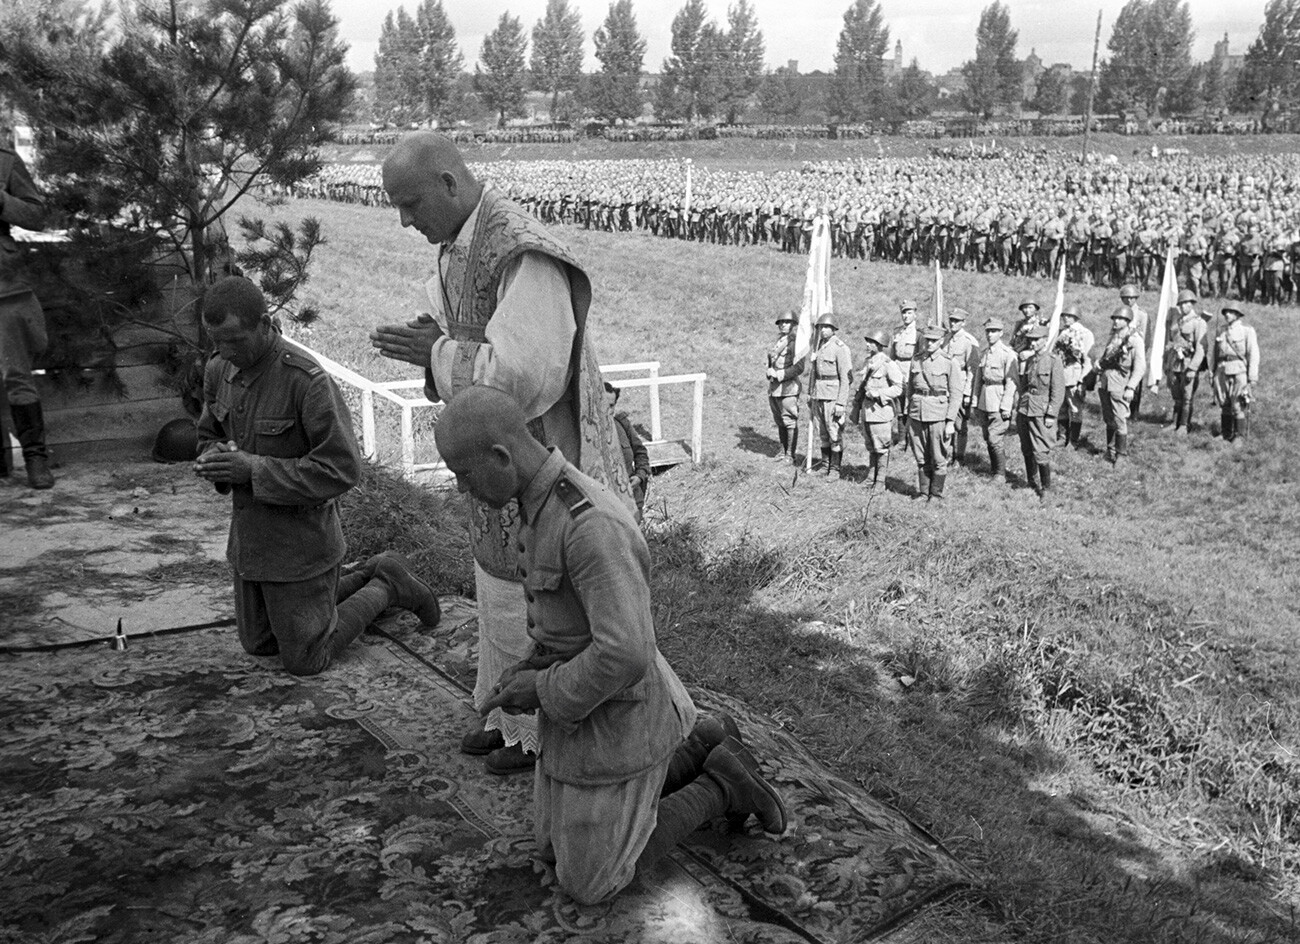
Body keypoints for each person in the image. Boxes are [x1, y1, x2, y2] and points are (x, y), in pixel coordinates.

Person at [436, 386, 786, 906]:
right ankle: (701, 742)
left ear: (501, 457)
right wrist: (526, 672)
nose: (464, 488)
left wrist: (541, 687)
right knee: (550, 850)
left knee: (589, 881)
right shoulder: (539, 500)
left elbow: (625, 653)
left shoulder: (588, 525)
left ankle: (722, 786)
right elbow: (566, 623)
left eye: (465, 475)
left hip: (623, 714)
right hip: (582, 713)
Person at [370, 132, 633, 777]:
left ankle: (551, 726)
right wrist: (436, 349)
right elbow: (466, 337)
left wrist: (434, 354)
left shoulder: (522, 251)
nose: (405, 221)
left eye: (410, 203)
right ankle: (510, 717)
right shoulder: (455, 242)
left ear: (450, 185)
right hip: (496, 459)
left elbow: (525, 375)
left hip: (541, 452)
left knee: (547, 590)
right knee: (499, 583)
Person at [194, 277, 440, 676]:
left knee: (307, 657)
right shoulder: (220, 370)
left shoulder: (306, 381)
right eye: (216, 341)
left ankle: (388, 587)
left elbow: (342, 469)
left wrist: (253, 470)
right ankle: (373, 571)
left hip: (301, 547)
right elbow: (208, 434)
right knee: (259, 644)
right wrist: (212, 459)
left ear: (265, 323)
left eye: (235, 341)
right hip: (252, 545)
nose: (224, 351)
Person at [0, 133, 53, 488]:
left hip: (4, 289)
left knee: (17, 374)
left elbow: (36, 214)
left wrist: (1, 201)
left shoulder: (4, 159)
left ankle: (35, 458)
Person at [907, 325, 962, 501]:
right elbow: (910, 387)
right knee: (921, 455)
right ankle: (924, 492)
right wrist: (907, 412)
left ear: (941, 342)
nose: (929, 343)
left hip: (938, 414)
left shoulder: (949, 362)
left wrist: (951, 421)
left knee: (938, 456)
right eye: (927, 340)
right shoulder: (916, 360)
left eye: (933, 340)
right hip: (917, 413)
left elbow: (955, 394)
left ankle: (936, 494)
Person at [848, 329, 903, 489]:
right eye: (867, 341)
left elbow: (899, 388)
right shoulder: (869, 362)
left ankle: (880, 481)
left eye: (871, 342)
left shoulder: (888, 364)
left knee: (882, 447)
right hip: (867, 411)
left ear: (880, 345)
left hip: (881, 412)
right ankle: (871, 477)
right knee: (871, 446)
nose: (867, 344)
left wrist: (879, 393)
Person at [1015, 324, 1065, 497]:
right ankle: (1031, 482)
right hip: (1025, 408)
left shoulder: (1053, 360)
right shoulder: (1030, 361)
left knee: (1041, 450)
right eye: (1031, 340)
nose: (1033, 343)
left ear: (1045, 340)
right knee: (1026, 447)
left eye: (1036, 340)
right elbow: (1024, 386)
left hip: (1041, 411)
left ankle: (1046, 489)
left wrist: (1051, 413)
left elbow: (1058, 390)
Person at [1096, 305, 1147, 464]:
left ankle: (1121, 455)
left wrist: (1131, 387)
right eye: (1115, 319)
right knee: (1108, 417)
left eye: (1120, 319)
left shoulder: (1135, 340)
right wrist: (1098, 364)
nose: (1116, 321)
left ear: (1128, 321)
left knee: (1119, 419)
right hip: (1106, 382)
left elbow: (1140, 367)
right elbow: (1106, 356)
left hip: (1121, 383)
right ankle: (1110, 450)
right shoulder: (1113, 337)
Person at [972, 317, 1019, 483]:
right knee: (987, 436)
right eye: (988, 331)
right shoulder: (984, 353)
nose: (990, 335)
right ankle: (994, 469)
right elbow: (979, 378)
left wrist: (1006, 406)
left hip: (999, 400)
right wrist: (975, 400)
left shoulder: (1008, 354)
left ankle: (1000, 474)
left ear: (1001, 333)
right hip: (985, 399)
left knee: (995, 438)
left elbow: (1012, 382)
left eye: (994, 331)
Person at [808, 312, 853, 477]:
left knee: (834, 433)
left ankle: (835, 469)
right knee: (823, 433)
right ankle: (825, 465)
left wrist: (841, 403)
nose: (823, 330)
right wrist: (810, 394)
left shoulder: (840, 348)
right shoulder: (819, 346)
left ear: (834, 329)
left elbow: (847, 378)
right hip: (819, 395)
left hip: (833, 397)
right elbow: (815, 373)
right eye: (821, 327)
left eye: (827, 327)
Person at [1207, 302, 1260, 444]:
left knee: (1238, 404)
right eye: (1225, 313)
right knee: (1224, 402)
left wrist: (1252, 377)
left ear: (1237, 314)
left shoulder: (1246, 331)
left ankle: (1239, 436)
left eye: (1230, 312)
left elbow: (1253, 354)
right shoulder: (1221, 330)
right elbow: (1214, 353)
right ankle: (1226, 433)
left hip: (1238, 370)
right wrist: (1212, 371)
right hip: (1221, 370)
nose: (1227, 315)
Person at [604, 380, 650, 521]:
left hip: (632, 501)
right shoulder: (588, 432)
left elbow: (640, 452)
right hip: (606, 504)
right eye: (603, 405)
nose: (608, 410)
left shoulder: (622, 425)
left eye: (611, 405)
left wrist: (639, 476)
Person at [1164, 288, 1208, 434]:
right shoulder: (1177, 322)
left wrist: (1193, 368)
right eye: (1180, 304)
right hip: (1175, 362)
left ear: (1192, 304)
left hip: (1188, 363)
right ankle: (1174, 422)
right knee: (1176, 394)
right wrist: (1167, 364)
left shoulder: (1199, 322)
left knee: (1187, 396)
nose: (1182, 307)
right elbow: (1172, 342)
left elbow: (1201, 348)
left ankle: (1184, 425)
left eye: (1185, 303)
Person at [765, 309, 805, 465]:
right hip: (775, 388)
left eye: (787, 322)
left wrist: (779, 374)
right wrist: (769, 372)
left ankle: (790, 454)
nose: (783, 325)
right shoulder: (779, 341)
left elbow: (799, 367)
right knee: (780, 421)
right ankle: (782, 451)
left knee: (789, 421)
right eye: (781, 322)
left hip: (788, 388)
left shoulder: (796, 343)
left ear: (794, 324)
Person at [941, 308, 979, 465]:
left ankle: (959, 456)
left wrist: (968, 392)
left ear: (964, 323)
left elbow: (972, 369)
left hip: (961, 386)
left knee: (960, 424)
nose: (953, 323)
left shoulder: (969, 342)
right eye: (951, 320)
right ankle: (947, 454)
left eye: (957, 321)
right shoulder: (946, 339)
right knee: (945, 420)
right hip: (945, 387)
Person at [1053, 305, 1094, 448]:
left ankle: (1073, 440)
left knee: (1075, 408)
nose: (1066, 318)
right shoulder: (1061, 332)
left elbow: (1087, 358)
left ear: (1076, 317)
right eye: (1064, 316)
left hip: (1074, 376)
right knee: (1061, 407)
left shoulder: (1084, 333)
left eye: (1069, 316)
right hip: (1060, 374)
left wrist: (1082, 379)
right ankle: (1062, 436)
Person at [888, 299, 918, 443]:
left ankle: (912, 439)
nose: (906, 316)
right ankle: (901, 440)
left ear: (915, 314)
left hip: (911, 371)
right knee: (899, 408)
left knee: (911, 407)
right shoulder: (897, 332)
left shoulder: (919, 334)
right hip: (898, 372)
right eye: (904, 313)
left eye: (909, 312)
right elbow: (892, 355)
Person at [1118, 284, 1149, 418]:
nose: (1129, 301)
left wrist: (1142, 351)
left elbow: (1146, 334)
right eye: (1126, 298)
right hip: (1121, 351)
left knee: (1135, 379)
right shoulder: (1119, 312)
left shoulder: (1141, 314)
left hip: (1136, 348)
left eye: (1132, 298)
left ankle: (1134, 411)